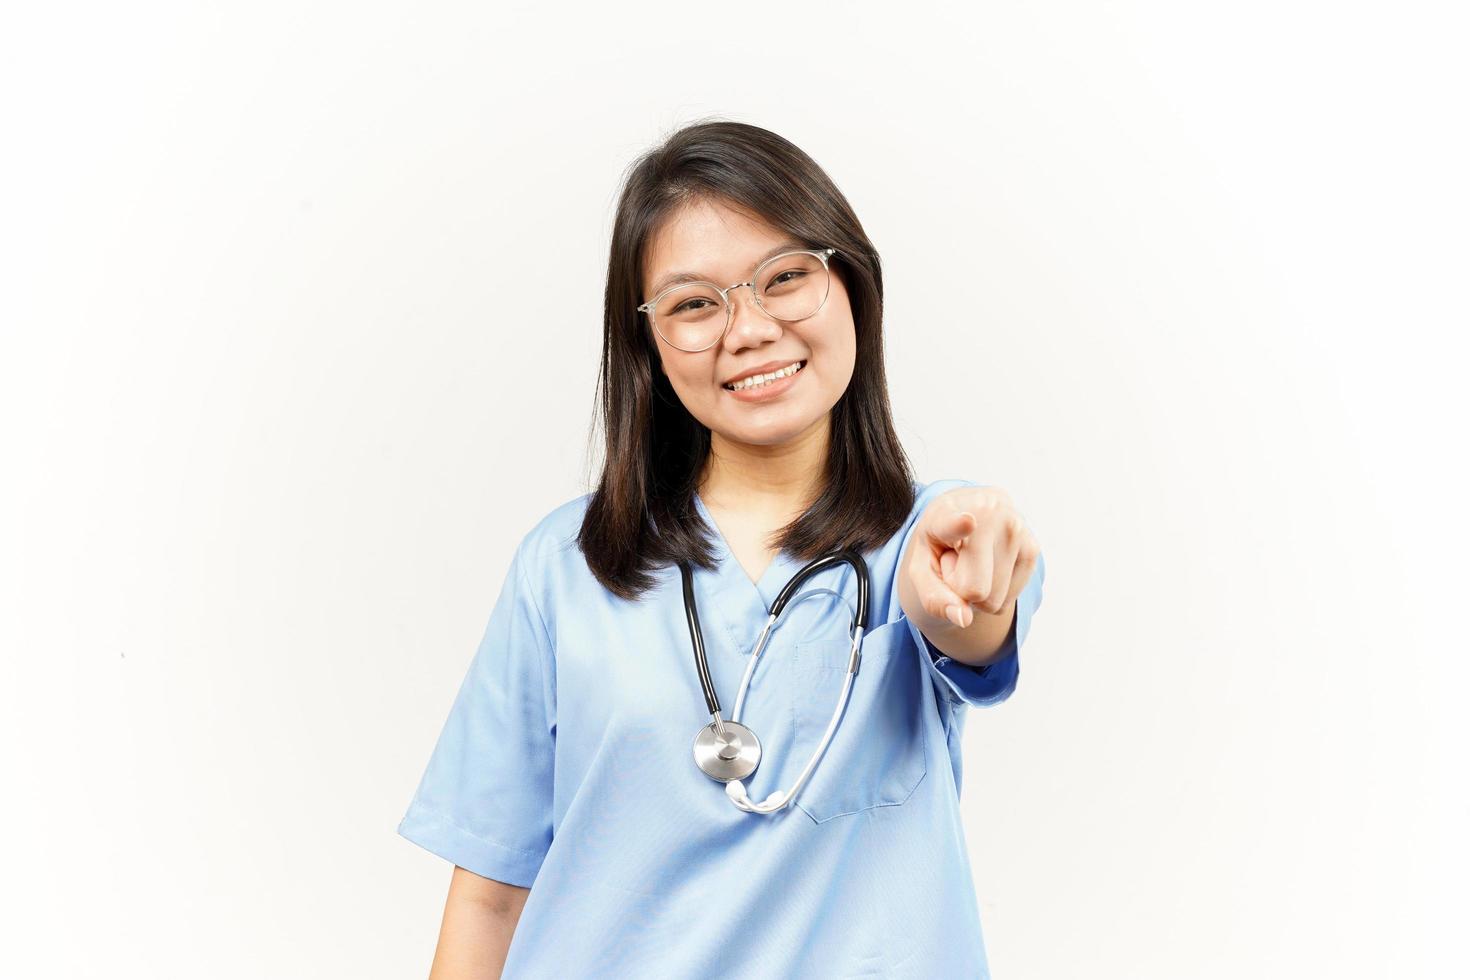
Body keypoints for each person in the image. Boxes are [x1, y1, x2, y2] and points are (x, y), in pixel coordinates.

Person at [396, 119, 1047, 979]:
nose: (748, 329)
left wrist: (959, 611)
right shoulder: (565, 566)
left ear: (848, 284)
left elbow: (976, 627)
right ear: (650, 346)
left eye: (784, 279)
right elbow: (490, 896)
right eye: (695, 303)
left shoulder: (932, 542)